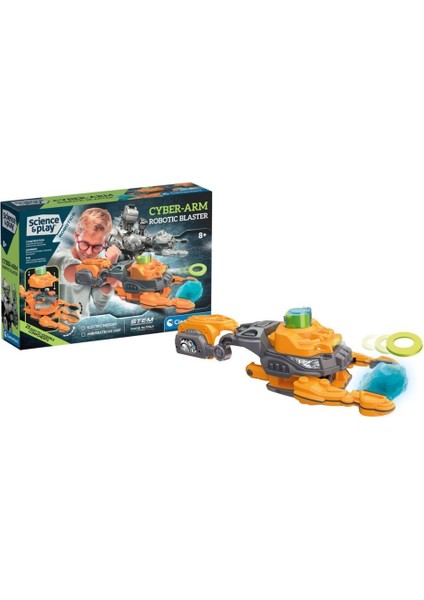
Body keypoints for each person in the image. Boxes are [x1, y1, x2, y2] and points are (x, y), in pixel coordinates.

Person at [51, 208, 121, 318]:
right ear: (76, 236)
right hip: (55, 326)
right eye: (84, 243)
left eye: (96, 246)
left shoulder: (100, 263)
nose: (88, 252)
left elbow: (100, 303)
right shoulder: (58, 258)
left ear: (105, 243)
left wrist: (110, 269)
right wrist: (110, 271)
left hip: (83, 324)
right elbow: (71, 270)